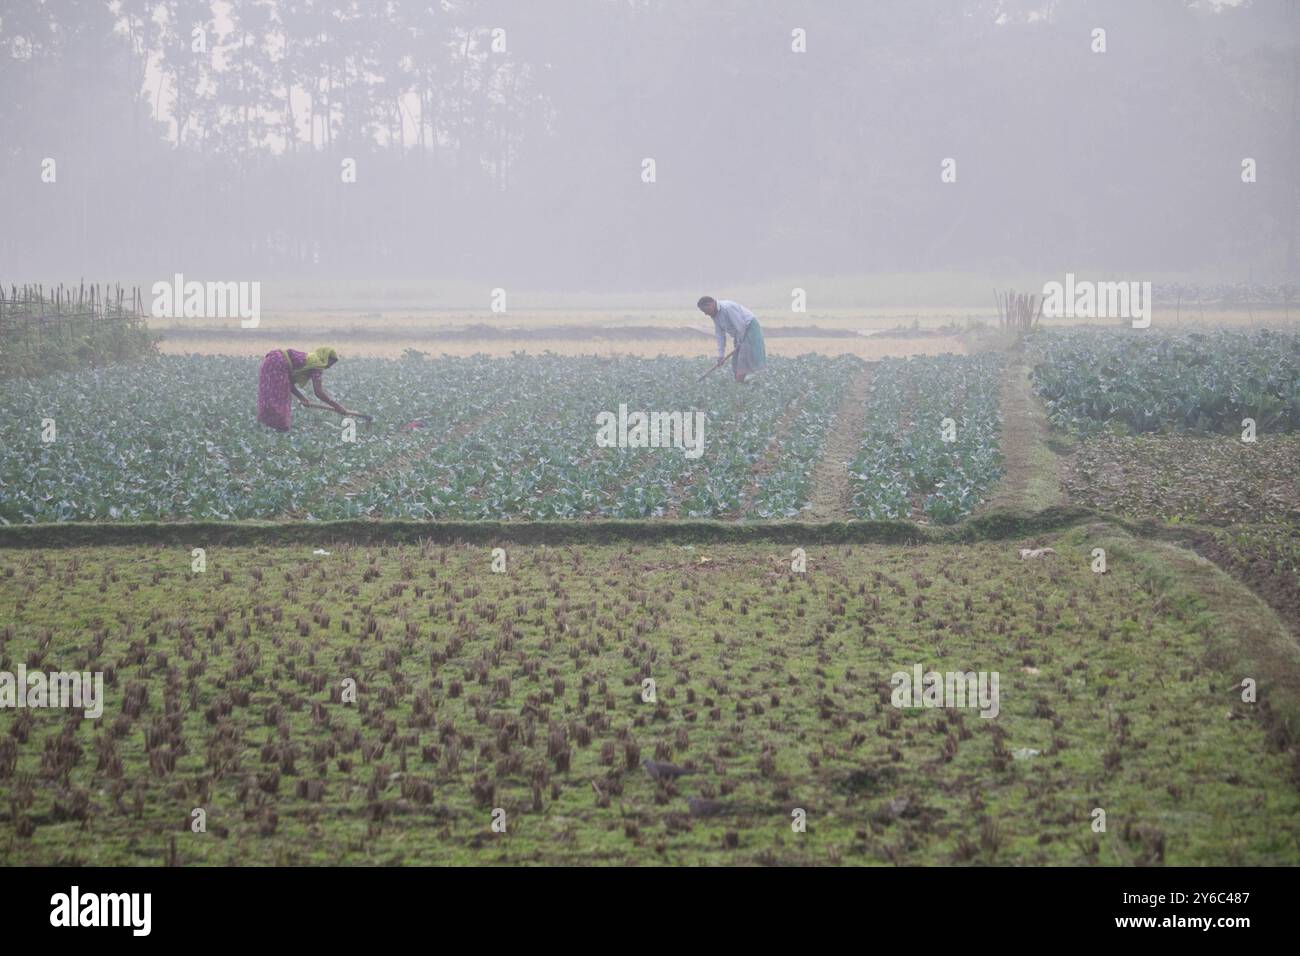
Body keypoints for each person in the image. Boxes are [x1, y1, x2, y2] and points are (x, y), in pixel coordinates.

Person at [256, 346, 351, 431]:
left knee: (268, 397)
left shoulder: (311, 359)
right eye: (330, 363)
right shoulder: (317, 364)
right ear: (325, 357)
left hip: (270, 361)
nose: (329, 367)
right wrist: (337, 406)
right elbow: (318, 392)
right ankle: (279, 429)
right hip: (278, 364)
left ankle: (266, 428)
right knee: (281, 400)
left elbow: (289, 384)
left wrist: (302, 398)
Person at [697, 296, 767, 383]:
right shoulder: (715, 316)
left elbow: (740, 325)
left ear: (710, 304)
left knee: (743, 362)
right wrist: (721, 355)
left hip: (749, 329)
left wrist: (740, 342)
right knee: (736, 363)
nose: (706, 314)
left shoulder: (727, 307)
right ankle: (741, 384)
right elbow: (720, 336)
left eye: (705, 311)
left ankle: (740, 385)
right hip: (739, 334)